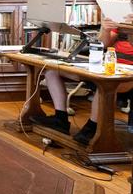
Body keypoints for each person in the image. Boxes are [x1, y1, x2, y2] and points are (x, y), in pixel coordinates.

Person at [31, 13, 133, 145]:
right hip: (109, 64)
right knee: (52, 71)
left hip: (128, 73)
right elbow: (104, 44)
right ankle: (60, 119)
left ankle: (92, 128)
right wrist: (105, 29)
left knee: (105, 85)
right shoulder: (123, 15)